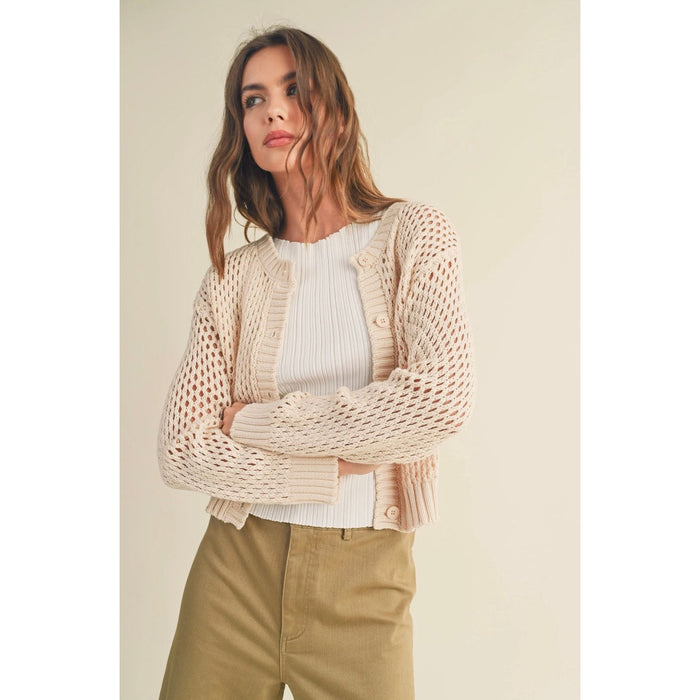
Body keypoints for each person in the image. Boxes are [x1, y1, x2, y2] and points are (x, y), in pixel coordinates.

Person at [157, 24, 475, 700]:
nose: (273, 111)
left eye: (294, 90)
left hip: (365, 575)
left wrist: (254, 423)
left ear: (336, 106)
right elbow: (183, 449)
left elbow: (436, 402)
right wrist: (326, 467)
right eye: (254, 99)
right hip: (234, 568)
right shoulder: (232, 279)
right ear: (241, 128)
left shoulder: (413, 235)